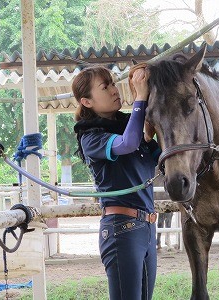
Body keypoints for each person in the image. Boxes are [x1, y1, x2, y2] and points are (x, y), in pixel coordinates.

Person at [72, 65, 160, 300]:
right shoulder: (90, 136)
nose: (114, 90)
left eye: (112, 83)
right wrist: (140, 98)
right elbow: (127, 144)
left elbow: (161, 157)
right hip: (122, 229)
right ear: (87, 101)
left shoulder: (129, 126)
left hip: (148, 226)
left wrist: (154, 123)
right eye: (105, 86)